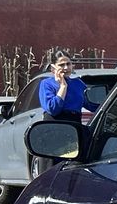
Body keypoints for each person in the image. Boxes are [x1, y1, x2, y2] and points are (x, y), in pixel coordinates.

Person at [31, 50, 85, 178]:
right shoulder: (46, 84)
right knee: (51, 173)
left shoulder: (78, 84)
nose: (66, 68)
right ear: (53, 68)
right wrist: (62, 87)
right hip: (53, 130)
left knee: (72, 173)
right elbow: (52, 108)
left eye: (68, 64)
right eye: (61, 65)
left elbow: (92, 104)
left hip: (73, 129)